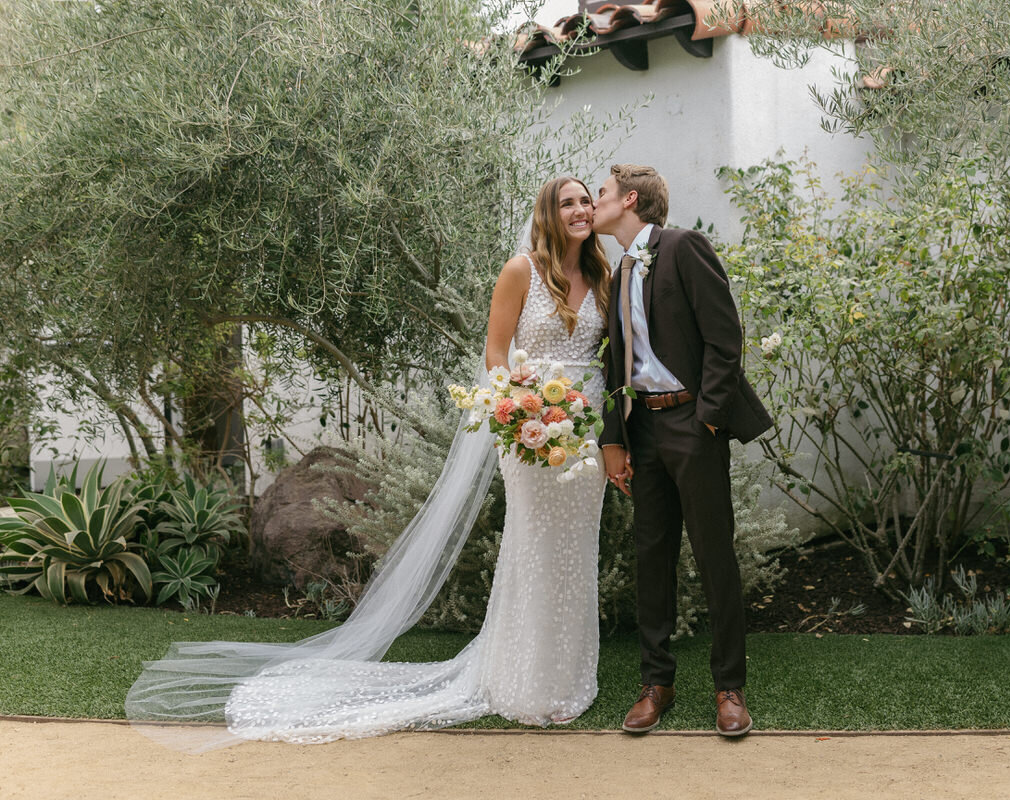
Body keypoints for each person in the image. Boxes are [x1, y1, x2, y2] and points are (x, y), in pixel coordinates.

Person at [125, 177, 611, 748]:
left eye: (585, 201)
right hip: (528, 431)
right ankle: (523, 681)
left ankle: (568, 675)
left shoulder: (604, 276)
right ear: (548, 213)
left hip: (587, 433)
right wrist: (511, 415)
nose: (580, 210)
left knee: (577, 548)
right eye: (567, 202)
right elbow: (495, 353)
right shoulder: (520, 271)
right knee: (532, 544)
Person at [591, 164, 772, 737]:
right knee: (652, 556)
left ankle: (729, 688)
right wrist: (613, 437)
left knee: (715, 554)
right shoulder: (617, 270)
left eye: (600, 194)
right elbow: (613, 363)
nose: (593, 204)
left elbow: (725, 338)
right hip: (641, 427)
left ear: (630, 199)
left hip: (692, 423)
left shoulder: (683, 246)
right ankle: (656, 683)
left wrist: (709, 420)